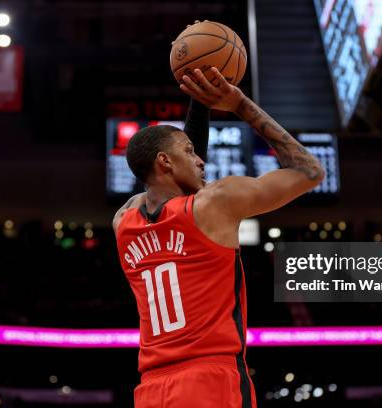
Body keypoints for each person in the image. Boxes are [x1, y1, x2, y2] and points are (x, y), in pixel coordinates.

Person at [113, 67, 325, 408]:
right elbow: (310, 172)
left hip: (151, 391)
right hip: (211, 380)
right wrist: (239, 103)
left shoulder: (123, 220)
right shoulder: (217, 202)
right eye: (189, 151)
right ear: (165, 161)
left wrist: (200, 102)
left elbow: (170, 190)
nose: (201, 161)